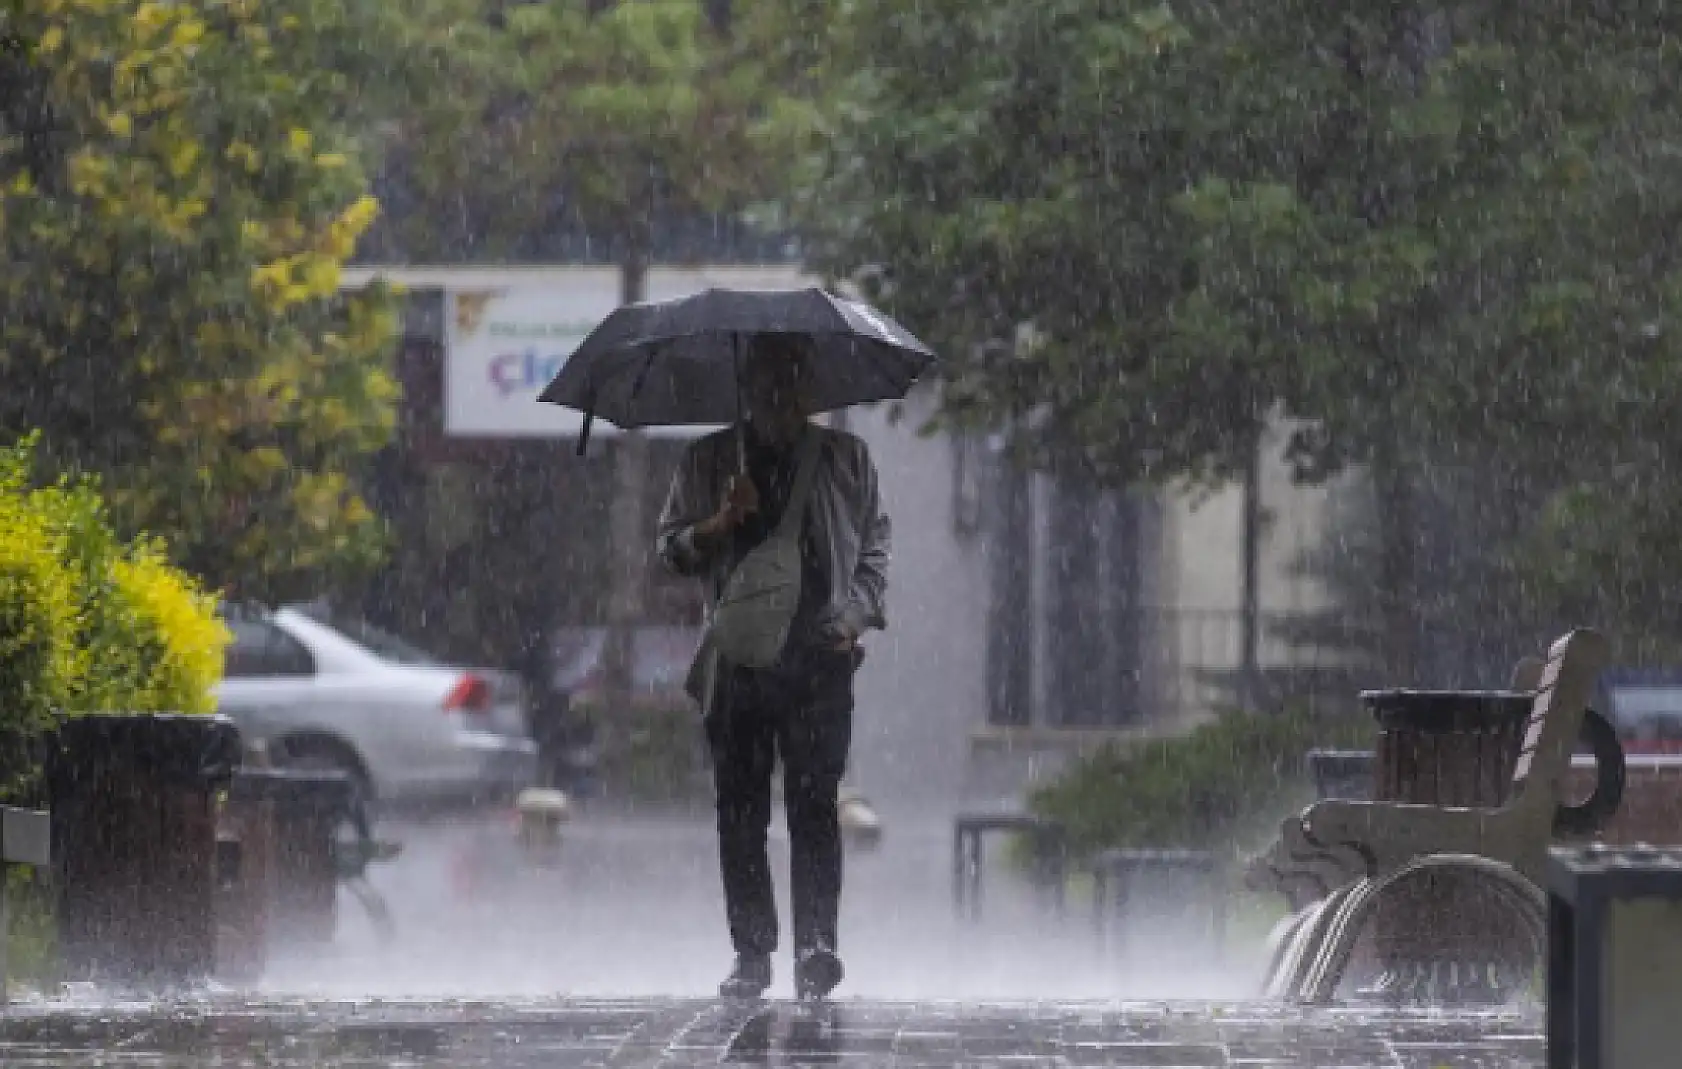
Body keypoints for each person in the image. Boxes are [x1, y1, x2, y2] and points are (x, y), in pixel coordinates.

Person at [656, 333, 890, 1000]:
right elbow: (671, 550)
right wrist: (720, 521)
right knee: (740, 810)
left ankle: (817, 946)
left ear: (806, 384)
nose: (775, 391)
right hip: (739, 664)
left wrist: (853, 618)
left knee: (814, 804)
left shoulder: (847, 458)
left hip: (821, 659)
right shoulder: (707, 460)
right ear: (745, 383)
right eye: (762, 377)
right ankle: (752, 953)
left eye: (789, 375)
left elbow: (876, 547)